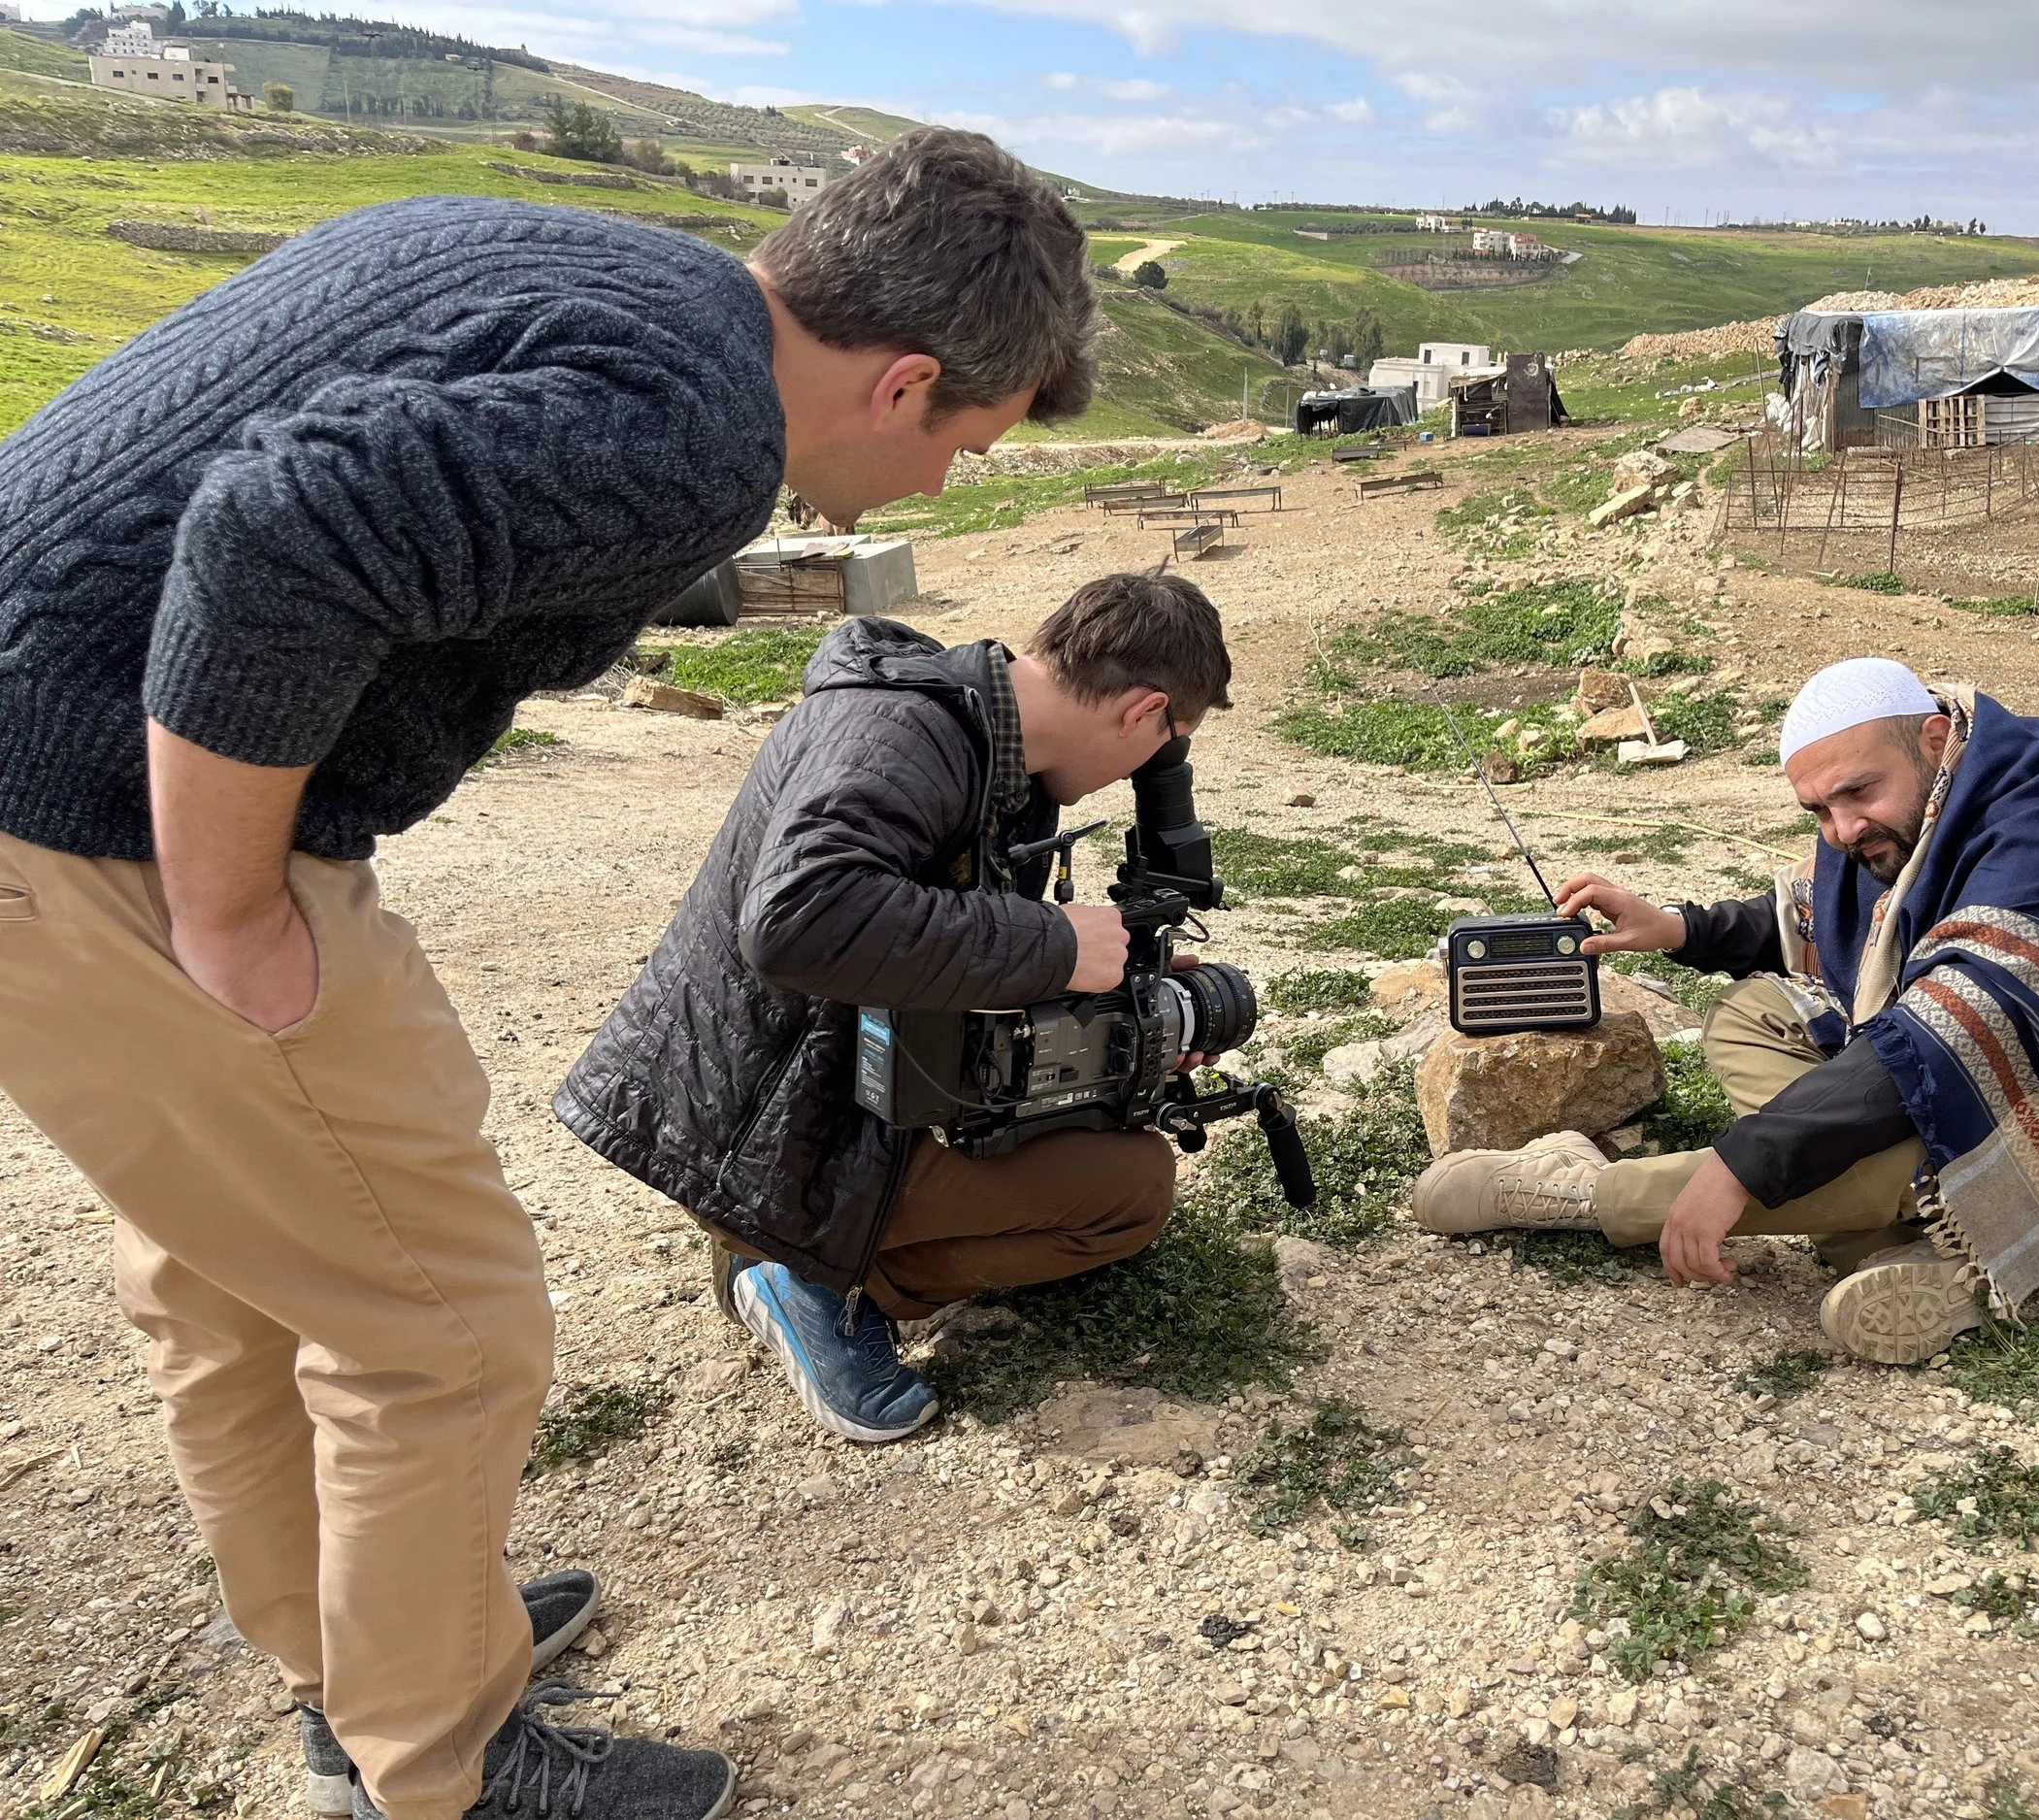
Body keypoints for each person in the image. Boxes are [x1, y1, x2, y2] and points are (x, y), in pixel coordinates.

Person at [0, 128, 1094, 1820]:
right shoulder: (698, 432)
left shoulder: (617, 275)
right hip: (102, 825)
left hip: (49, 764)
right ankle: (434, 1770)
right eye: (971, 443)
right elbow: (280, 529)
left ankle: (365, 1665)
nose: (946, 490)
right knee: (443, 1329)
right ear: (907, 385)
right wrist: (227, 911)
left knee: (246, 1285)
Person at [1413, 658, 2039, 1362]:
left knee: (1894, 1140)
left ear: (1934, 739)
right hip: (2015, 1080)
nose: (1841, 829)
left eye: (1857, 795)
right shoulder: (1947, 794)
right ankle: (1926, 1254)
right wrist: (1675, 928)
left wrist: (1740, 1167)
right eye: (1818, 809)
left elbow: (1944, 1032)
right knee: (1756, 1015)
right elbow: (1823, 918)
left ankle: (1585, 1194)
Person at [555, 572, 1233, 1441]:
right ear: (1143, 712)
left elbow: (938, 950)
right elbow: (798, 921)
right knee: (1130, 1190)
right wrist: (1055, 944)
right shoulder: (905, 734)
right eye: (1167, 740)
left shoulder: (996, 747)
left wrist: (1113, 1014)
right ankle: (808, 1280)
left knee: (1116, 1162)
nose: (1151, 765)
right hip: (762, 1126)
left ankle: (791, 1255)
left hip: (839, 1088)